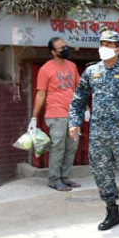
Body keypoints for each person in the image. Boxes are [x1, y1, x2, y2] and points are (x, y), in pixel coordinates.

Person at [68, 30, 119, 229]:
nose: (104, 48)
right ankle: (112, 211)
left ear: (118, 49)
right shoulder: (91, 71)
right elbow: (78, 99)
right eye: (102, 44)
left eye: (109, 44)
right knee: (102, 171)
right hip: (99, 133)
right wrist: (74, 122)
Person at [30, 37, 81, 192]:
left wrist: (84, 108)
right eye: (61, 48)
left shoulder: (72, 66)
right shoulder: (46, 69)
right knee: (58, 147)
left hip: (72, 113)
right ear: (53, 52)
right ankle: (54, 179)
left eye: (66, 46)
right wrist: (34, 117)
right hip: (55, 113)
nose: (65, 49)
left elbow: (79, 89)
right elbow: (40, 94)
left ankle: (65, 178)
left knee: (72, 147)